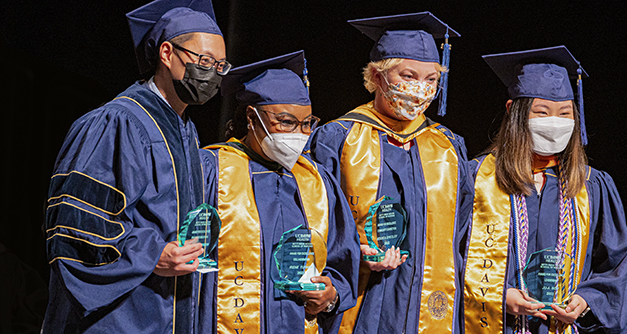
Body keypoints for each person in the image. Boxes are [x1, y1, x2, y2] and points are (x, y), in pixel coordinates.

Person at [42, 0, 229, 332]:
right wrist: (152, 254)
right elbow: (75, 227)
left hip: (169, 311)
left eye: (220, 65)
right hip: (121, 317)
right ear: (167, 53)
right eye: (203, 61)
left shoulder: (185, 130)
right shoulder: (116, 122)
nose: (212, 73)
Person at [308, 12, 474, 334]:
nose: (420, 88)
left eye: (431, 79)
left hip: (428, 309)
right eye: (408, 75)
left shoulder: (448, 148)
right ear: (377, 76)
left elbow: (462, 233)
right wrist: (353, 253)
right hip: (357, 301)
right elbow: (315, 222)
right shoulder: (339, 138)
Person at [462, 46, 627, 334]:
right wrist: (497, 295)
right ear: (513, 111)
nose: (555, 123)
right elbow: (446, 256)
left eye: (565, 113)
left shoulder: (592, 186)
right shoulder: (475, 178)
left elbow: (616, 265)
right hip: (492, 323)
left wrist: (586, 300)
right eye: (542, 112)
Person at [200, 51, 360, 334]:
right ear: (252, 118)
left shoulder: (317, 180)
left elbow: (341, 261)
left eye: (306, 123)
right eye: (286, 122)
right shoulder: (212, 170)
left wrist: (330, 296)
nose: (298, 133)